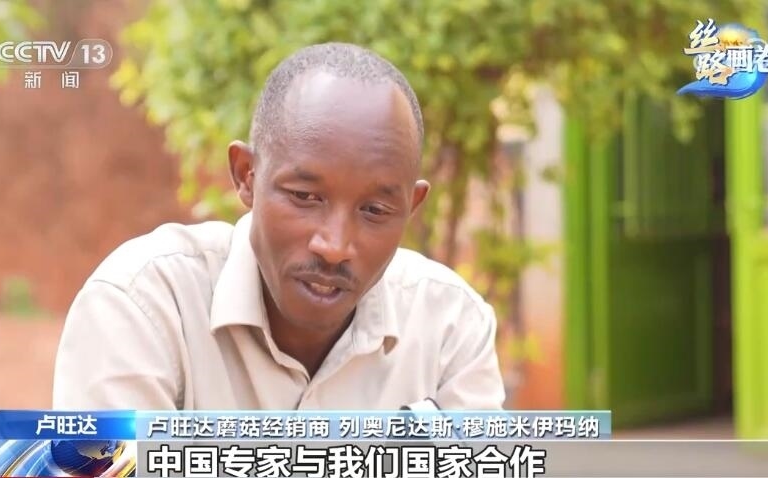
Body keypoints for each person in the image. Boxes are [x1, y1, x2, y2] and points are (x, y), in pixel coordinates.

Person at [52, 42, 505, 411]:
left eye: (374, 210)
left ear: (411, 207)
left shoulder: (450, 327)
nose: (334, 245)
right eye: (305, 197)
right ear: (246, 175)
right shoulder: (143, 305)